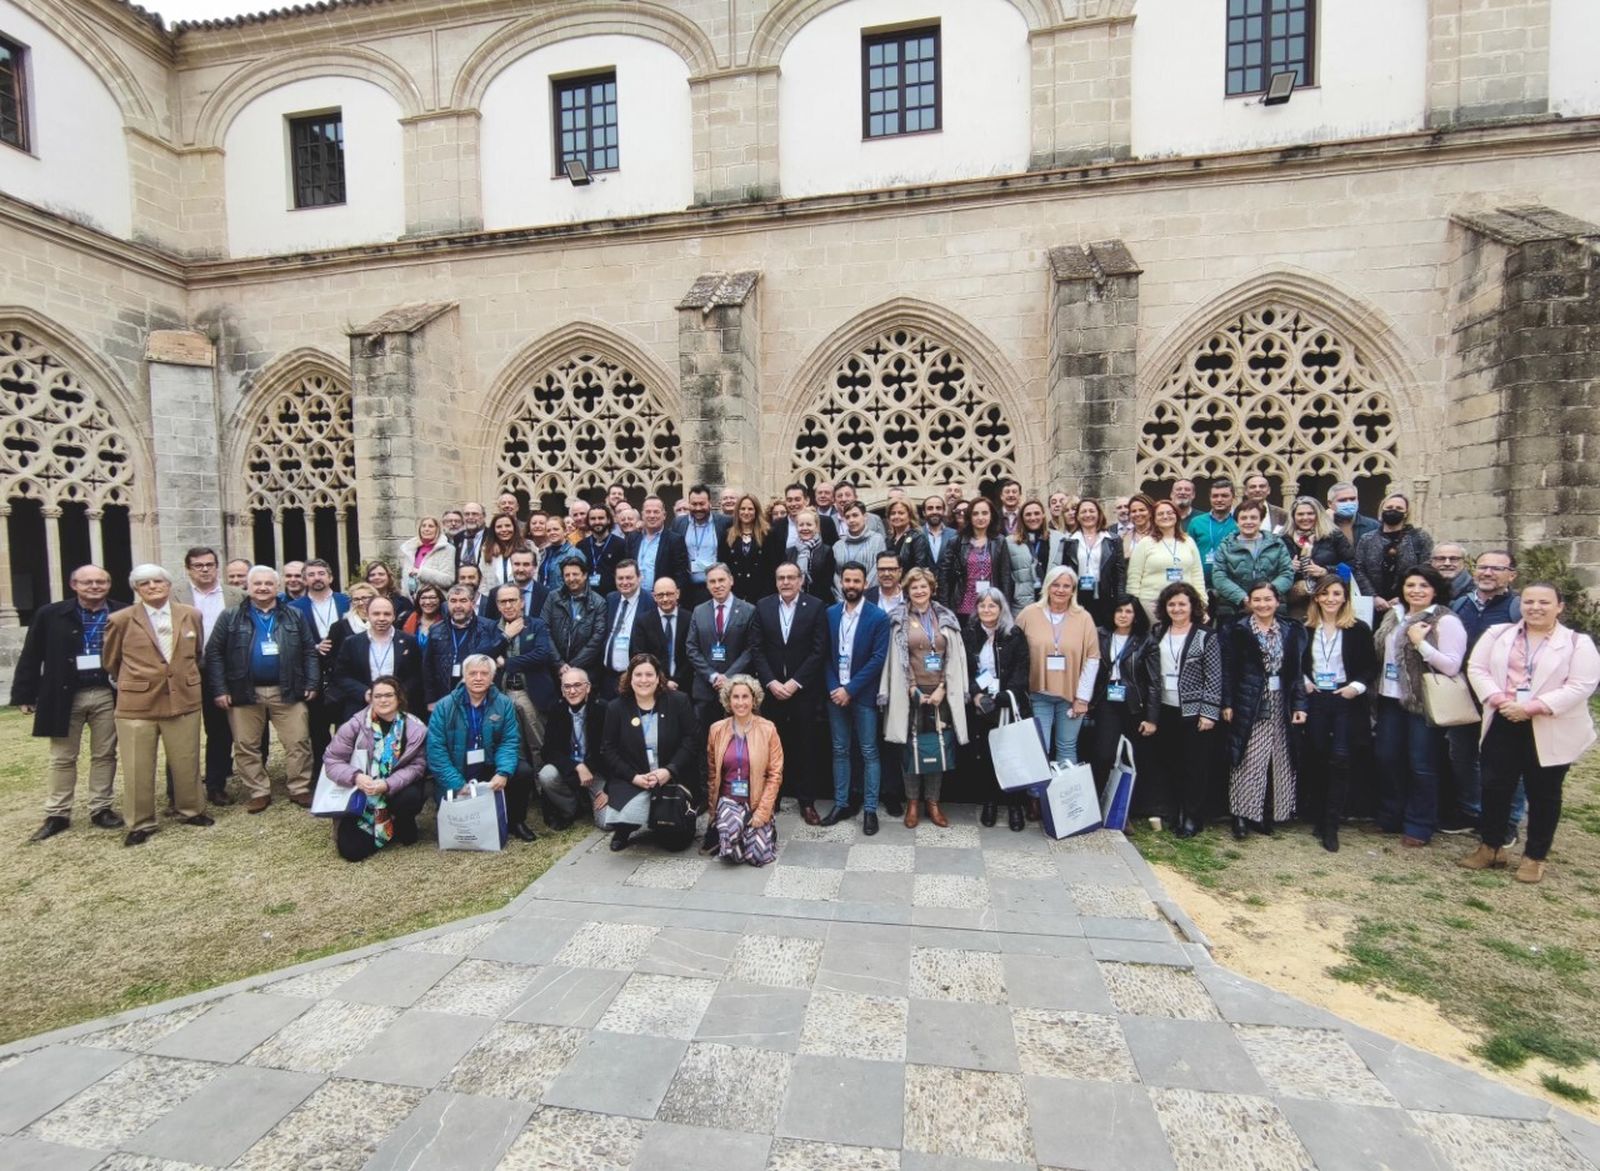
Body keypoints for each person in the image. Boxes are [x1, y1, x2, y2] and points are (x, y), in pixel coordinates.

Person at [1459, 584, 1600, 884]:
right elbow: (1477, 668)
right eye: (1529, 601)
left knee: (1544, 792)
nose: (1535, 607)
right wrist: (1499, 700)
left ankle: (1535, 856)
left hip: (1549, 723)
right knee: (1494, 786)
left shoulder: (1578, 643)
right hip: (1504, 717)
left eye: (1544, 602)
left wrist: (1533, 707)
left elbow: (1581, 685)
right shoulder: (1498, 634)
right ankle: (1491, 846)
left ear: (1559, 607)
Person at [12, 564, 126, 841]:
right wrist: (24, 694)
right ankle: (58, 813)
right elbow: (32, 654)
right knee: (62, 757)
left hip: (106, 693)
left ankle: (101, 808)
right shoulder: (50, 614)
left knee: (105, 754)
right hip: (64, 693)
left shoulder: (123, 612)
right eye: (87, 582)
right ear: (74, 585)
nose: (95, 586)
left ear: (109, 585)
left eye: (101, 581)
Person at [104, 565, 212, 847]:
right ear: (136, 589)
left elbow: (196, 651)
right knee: (137, 765)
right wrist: (138, 680)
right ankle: (140, 822)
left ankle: (192, 810)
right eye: (144, 583)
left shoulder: (191, 614)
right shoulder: (121, 619)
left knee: (187, 759)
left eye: (158, 581)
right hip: (138, 703)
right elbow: (111, 660)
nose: (152, 586)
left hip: (183, 698)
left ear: (168, 584)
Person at [206, 566, 319, 812]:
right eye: (257, 583)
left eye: (269, 583)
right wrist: (220, 689)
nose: (263, 588)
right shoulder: (230, 616)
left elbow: (309, 651)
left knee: (298, 741)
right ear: (248, 587)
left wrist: (312, 683)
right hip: (244, 691)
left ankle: (299, 787)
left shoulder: (295, 615)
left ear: (277, 587)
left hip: (287, 689)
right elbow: (214, 653)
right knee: (246, 744)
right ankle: (258, 791)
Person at [1372, 567, 1466, 847]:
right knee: (1387, 758)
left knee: (1421, 764)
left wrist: (1420, 644)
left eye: (1423, 585)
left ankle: (1419, 824)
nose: (1416, 591)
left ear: (1435, 590)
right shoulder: (1394, 615)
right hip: (1389, 697)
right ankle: (1391, 816)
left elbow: (1452, 665)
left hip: (1422, 702)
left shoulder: (1445, 620)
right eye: (1410, 585)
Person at [880, 567, 969, 829]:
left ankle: (933, 802)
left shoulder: (946, 617)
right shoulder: (898, 620)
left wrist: (943, 687)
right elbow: (897, 658)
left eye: (923, 586)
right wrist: (911, 688)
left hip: (941, 693)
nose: (919, 591)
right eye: (914, 587)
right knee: (911, 747)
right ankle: (912, 803)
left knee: (936, 746)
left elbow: (954, 656)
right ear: (907, 590)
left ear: (932, 589)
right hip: (911, 693)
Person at [1445, 549, 1525, 838]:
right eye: (1482, 567)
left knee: (1506, 759)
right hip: (1464, 692)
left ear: (1511, 575)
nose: (1487, 573)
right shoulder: (1460, 604)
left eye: (1497, 568)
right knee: (1462, 755)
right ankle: (1472, 811)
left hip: (1501, 695)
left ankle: (1508, 820)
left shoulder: (1517, 608)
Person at [1221, 583, 1308, 839]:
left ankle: (1262, 813)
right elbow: (1228, 669)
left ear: (1277, 601)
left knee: (1279, 757)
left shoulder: (1291, 629)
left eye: (1267, 599)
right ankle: (1240, 814)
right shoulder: (1237, 629)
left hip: (1282, 699)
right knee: (1248, 757)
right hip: (1249, 698)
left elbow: (1297, 671)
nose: (1262, 605)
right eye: (1257, 600)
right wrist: (1227, 703)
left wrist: (1300, 704)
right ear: (1249, 602)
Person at [1136, 582, 1223, 838]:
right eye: (1171, 604)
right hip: (1165, 708)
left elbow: (1214, 676)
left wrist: (1209, 712)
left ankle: (1192, 816)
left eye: (1182, 604)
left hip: (1194, 712)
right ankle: (1175, 811)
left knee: (1195, 766)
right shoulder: (1158, 631)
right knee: (1171, 763)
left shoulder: (1206, 635)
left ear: (1192, 606)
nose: (1177, 609)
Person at [1300, 575, 1377, 853]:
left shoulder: (1358, 629)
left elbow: (1370, 666)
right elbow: (1297, 663)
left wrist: (1355, 687)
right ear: (1316, 598)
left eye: (1336, 593)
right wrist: (1305, 681)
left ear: (1345, 597)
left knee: (1341, 759)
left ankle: (1332, 824)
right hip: (1317, 699)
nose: (1330, 599)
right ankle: (1319, 817)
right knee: (1318, 756)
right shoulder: (1306, 628)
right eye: (1324, 594)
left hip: (1345, 699)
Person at [426, 653, 537, 841]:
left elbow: (509, 741)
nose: (478, 678)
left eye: (484, 673)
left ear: (492, 677)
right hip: (458, 769)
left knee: (522, 771)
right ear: (464, 676)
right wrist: (456, 783)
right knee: (459, 821)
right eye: (473, 673)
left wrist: (503, 772)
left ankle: (516, 821)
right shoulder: (444, 706)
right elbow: (436, 751)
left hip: (489, 765)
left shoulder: (503, 704)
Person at [597, 653, 700, 852]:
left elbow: (691, 740)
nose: (644, 680)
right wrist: (633, 777)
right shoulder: (616, 708)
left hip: (670, 777)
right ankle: (624, 829)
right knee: (619, 817)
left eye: (649, 674)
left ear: (658, 677)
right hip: (634, 777)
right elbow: (608, 750)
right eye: (638, 675)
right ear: (630, 678)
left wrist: (669, 770)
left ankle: (662, 822)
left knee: (674, 844)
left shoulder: (678, 701)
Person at [753, 562, 829, 825]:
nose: (785, 582)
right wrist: (771, 682)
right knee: (772, 747)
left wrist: (795, 683)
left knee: (805, 746)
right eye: (781, 578)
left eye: (791, 577)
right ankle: (772, 798)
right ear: (776, 581)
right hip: (772, 690)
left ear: (800, 580)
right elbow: (757, 649)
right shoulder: (763, 606)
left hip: (803, 691)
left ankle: (806, 802)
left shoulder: (816, 606)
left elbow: (819, 650)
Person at [323, 675, 429, 861]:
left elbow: (418, 766)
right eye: (378, 696)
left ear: (399, 698)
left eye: (388, 695)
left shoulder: (415, 728)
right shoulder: (355, 725)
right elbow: (332, 760)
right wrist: (356, 777)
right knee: (351, 851)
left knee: (410, 798)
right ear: (370, 698)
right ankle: (383, 826)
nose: (383, 700)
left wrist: (387, 784)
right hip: (362, 792)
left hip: (395, 789)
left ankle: (401, 820)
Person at [821, 563, 891, 832]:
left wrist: (850, 689)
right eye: (847, 580)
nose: (851, 585)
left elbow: (878, 659)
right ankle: (841, 803)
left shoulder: (878, 617)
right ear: (841, 583)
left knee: (869, 751)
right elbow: (825, 655)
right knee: (840, 750)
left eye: (856, 581)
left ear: (865, 584)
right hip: (834, 694)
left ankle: (870, 809)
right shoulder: (830, 613)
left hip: (863, 694)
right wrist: (835, 688)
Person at [1015, 566, 1100, 768]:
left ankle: (1066, 789)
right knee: (1039, 749)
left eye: (1066, 586)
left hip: (1071, 697)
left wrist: (1083, 698)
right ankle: (1041, 789)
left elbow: (1092, 658)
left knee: (1067, 748)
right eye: (1056, 585)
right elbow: (1015, 652)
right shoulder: (1029, 614)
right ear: (1047, 586)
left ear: (1073, 590)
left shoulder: (1083, 617)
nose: (1060, 590)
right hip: (1038, 695)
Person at [963, 587, 1031, 830]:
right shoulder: (969, 634)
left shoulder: (1014, 634)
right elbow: (965, 669)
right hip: (981, 705)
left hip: (1007, 704)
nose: (987, 609)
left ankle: (1014, 806)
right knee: (985, 757)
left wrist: (1002, 697)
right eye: (982, 605)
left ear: (1001, 609)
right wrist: (976, 694)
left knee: (1011, 757)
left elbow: (1021, 670)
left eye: (992, 605)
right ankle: (989, 803)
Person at [702, 675, 784, 865]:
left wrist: (762, 812)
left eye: (745, 696)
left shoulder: (768, 729)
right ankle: (729, 830)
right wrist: (713, 814)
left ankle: (761, 830)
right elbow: (712, 775)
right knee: (733, 853)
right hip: (728, 799)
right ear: (728, 700)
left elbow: (775, 775)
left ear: (754, 699)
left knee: (757, 857)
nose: (740, 702)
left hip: (755, 801)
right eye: (736, 697)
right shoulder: (716, 730)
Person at [1087, 594, 1152, 815]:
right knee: (1103, 755)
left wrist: (1152, 717)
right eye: (1119, 610)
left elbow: (1154, 682)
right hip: (1107, 700)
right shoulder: (1100, 634)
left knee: (1131, 758)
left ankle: (1124, 812)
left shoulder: (1145, 640)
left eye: (1128, 611)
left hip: (1134, 704)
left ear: (1136, 616)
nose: (1123, 615)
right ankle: (1094, 806)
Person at [686, 563, 761, 742]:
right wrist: (712, 676)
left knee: (738, 741)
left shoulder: (748, 610)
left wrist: (728, 677)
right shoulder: (699, 611)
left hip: (737, 689)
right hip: (706, 689)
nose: (717, 585)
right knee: (706, 741)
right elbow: (691, 647)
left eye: (721, 580)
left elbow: (751, 648)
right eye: (712, 581)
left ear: (731, 581)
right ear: (707, 585)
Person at [290, 558, 350, 781]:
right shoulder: (294, 608)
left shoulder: (346, 602)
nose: (317, 578)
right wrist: (314, 647)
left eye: (321, 573)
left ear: (330, 577)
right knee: (317, 728)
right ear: (304, 580)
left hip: (344, 672)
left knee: (345, 726)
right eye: (312, 574)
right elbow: (290, 641)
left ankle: (348, 771)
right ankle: (321, 775)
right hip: (313, 675)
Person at [327, 595, 424, 721]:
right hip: (361, 708)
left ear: (394, 616)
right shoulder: (352, 642)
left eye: (387, 614)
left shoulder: (409, 641)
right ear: (368, 615)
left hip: (400, 708)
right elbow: (341, 675)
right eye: (376, 614)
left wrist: (397, 693)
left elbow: (417, 674)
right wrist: (364, 692)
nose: (381, 618)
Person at [540, 666, 607, 830]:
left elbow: (611, 751)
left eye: (577, 685)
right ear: (562, 691)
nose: (572, 691)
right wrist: (577, 766)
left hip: (597, 771)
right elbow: (548, 751)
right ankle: (572, 808)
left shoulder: (603, 709)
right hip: (570, 769)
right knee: (546, 774)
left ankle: (591, 801)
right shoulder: (557, 709)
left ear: (588, 687)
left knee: (606, 823)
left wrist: (609, 790)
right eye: (567, 687)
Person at [423, 585, 506, 708]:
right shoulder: (436, 629)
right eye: (453, 601)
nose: (458, 606)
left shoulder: (488, 627)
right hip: (445, 695)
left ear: (472, 603)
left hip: (479, 694)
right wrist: (431, 699)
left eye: (463, 601)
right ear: (447, 604)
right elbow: (428, 667)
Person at [1210, 501, 1294, 623]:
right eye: (1243, 518)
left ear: (1261, 520)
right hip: (1234, 608)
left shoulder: (1277, 544)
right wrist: (1243, 598)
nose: (1248, 522)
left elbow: (1287, 573)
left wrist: (1266, 596)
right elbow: (1219, 576)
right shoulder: (1225, 546)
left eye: (1253, 517)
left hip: (1272, 608)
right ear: (1237, 522)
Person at [1126, 499, 1206, 621]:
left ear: (1177, 516)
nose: (1165, 516)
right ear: (1154, 518)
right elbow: (1134, 578)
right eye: (1160, 514)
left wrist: (1202, 601)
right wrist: (1134, 606)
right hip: (1152, 603)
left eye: (1170, 513)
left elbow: (1197, 574)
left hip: (1184, 603)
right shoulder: (1145, 543)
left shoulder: (1188, 541)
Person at [1354, 494, 1434, 613]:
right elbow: (1359, 569)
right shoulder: (1367, 539)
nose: (1393, 510)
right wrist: (1373, 597)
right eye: (1389, 507)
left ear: (1406, 513)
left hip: (1409, 604)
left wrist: (1403, 597)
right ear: (1382, 510)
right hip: (1374, 606)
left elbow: (1426, 568)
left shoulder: (1420, 537)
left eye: (1399, 508)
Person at [938, 497, 1011, 621]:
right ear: (969, 517)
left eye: (985, 513)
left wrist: (1005, 606)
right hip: (963, 606)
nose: (980, 517)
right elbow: (944, 576)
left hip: (990, 606)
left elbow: (1005, 577)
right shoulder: (956, 541)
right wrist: (945, 608)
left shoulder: (999, 541)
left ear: (991, 516)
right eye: (975, 514)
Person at [1283, 496, 1353, 620]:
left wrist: (1326, 571)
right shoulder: (1283, 538)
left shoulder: (1334, 535)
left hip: (1328, 599)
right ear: (1293, 516)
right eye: (1300, 514)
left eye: (1310, 513)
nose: (1305, 518)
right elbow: (1272, 569)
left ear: (1318, 515)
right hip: (1295, 603)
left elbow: (1352, 564)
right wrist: (1288, 567)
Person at [540, 556, 609, 677]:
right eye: (567, 575)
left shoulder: (598, 602)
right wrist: (559, 664)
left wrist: (572, 668)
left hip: (585, 672)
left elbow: (597, 639)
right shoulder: (552, 598)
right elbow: (543, 630)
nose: (571, 579)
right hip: (555, 670)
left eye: (575, 574)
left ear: (585, 575)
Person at [1062, 498, 1124, 629]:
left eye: (1091, 511)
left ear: (1099, 514)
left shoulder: (1113, 540)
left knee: (1104, 634)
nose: (1088, 515)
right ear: (1077, 516)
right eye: (1083, 512)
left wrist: (1120, 600)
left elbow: (1120, 574)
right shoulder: (1070, 541)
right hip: (1079, 597)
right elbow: (1065, 573)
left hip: (1106, 596)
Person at [675, 483, 732, 611]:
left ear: (710, 503)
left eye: (702, 504)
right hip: (688, 590)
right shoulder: (679, 523)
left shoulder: (725, 523)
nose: (698, 508)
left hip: (716, 588)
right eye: (694, 504)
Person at [637, 576, 694, 694]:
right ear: (654, 597)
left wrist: (676, 681)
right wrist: (663, 681)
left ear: (677, 594)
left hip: (685, 686)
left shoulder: (690, 619)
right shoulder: (644, 621)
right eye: (660, 595)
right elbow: (640, 655)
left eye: (669, 594)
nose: (665, 599)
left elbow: (692, 654)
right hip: (654, 685)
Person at [719, 493, 778, 603]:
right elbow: (723, 566)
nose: (746, 512)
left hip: (762, 596)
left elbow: (773, 567)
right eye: (743, 509)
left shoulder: (768, 534)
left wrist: (766, 597)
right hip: (735, 596)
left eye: (750, 509)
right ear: (737, 511)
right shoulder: (727, 535)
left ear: (756, 511)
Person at [627, 495, 691, 594]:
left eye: (656, 512)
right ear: (642, 515)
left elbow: (681, 574)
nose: (652, 515)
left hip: (662, 597)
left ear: (664, 515)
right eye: (648, 512)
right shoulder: (633, 537)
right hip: (636, 596)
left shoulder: (674, 540)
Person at [1187, 480, 1239, 592]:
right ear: (1210, 498)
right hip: (1200, 585)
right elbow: (1187, 552)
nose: (1219, 499)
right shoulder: (1196, 522)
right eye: (1215, 496)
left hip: (1231, 585)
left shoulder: (1239, 523)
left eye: (1224, 496)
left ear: (1233, 498)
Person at [1006, 499, 1051, 610]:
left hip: (1050, 601)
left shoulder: (1054, 539)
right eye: (1028, 514)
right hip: (1022, 603)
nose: (1033, 518)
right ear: (1022, 518)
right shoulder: (1009, 542)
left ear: (1043, 515)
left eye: (1037, 513)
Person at [833, 502, 887, 592]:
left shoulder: (877, 540)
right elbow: (835, 574)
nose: (851, 520)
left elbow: (877, 568)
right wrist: (844, 593)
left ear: (865, 517)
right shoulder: (838, 545)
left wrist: (863, 592)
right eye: (847, 517)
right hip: (844, 595)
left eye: (855, 515)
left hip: (870, 594)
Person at [577, 504, 627, 596]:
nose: (597, 522)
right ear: (588, 521)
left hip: (612, 596)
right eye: (593, 519)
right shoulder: (581, 546)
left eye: (601, 518)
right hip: (587, 596)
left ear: (608, 520)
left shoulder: (621, 544)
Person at [788, 509, 837, 603]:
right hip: (794, 601)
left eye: (809, 524)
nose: (805, 528)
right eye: (801, 525)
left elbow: (827, 583)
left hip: (819, 602)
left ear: (817, 527)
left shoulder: (826, 551)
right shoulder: (789, 552)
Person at [402, 516, 456, 596]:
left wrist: (421, 573)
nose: (426, 529)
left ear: (437, 529)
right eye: (423, 526)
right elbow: (405, 578)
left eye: (431, 526)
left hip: (434, 598)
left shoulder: (447, 549)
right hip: (411, 599)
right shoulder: (411, 549)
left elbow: (448, 580)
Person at [481, 513, 530, 597]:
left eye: (508, 526)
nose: (504, 529)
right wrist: (489, 598)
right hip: (494, 598)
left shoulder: (528, 546)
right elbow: (483, 579)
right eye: (499, 527)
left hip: (522, 597)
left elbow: (533, 575)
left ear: (514, 527)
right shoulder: (486, 549)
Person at [1326, 481, 1379, 550]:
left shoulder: (1373, 526)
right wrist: (1328, 522)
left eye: (1352, 499)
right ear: (1330, 503)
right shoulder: (1322, 526)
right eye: (1343, 500)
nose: (1349, 503)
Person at [884, 499, 933, 571]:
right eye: (893, 513)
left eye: (901, 513)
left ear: (910, 515)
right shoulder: (888, 539)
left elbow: (920, 567)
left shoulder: (918, 537)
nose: (896, 516)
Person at [403, 583, 448, 651]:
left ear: (440, 599)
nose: (427, 602)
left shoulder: (446, 621)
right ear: (418, 601)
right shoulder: (410, 619)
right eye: (423, 598)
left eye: (432, 597)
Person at [1120, 493, 1156, 562]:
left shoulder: (1160, 534)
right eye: (1133, 511)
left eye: (1142, 510)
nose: (1137, 514)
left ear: (1150, 512)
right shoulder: (1124, 538)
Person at [921, 494, 954, 567]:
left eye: (938, 508)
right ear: (924, 512)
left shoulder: (954, 534)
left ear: (944, 511)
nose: (934, 511)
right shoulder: (916, 533)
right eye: (930, 508)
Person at [452, 501, 488, 568]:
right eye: (467, 514)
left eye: (475, 514)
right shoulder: (457, 537)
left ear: (483, 516)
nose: (470, 517)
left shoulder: (492, 536)